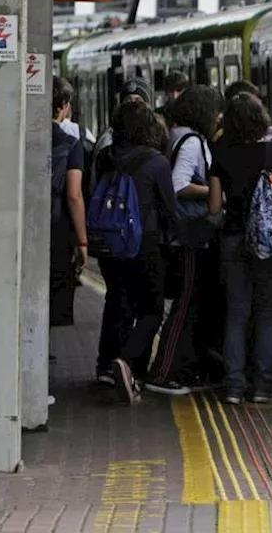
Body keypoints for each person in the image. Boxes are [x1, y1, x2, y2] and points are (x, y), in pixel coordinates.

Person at [209, 93, 272, 404]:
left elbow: (215, 206)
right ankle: (262, 387)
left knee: (237, 314)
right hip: (269, 242)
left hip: (233, 238)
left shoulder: (220, 152)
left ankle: (233, 386)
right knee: (268, 314)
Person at [97, 100, 178, 405]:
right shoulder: (157, 162)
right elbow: (169, 209)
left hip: (109, 244)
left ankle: (114, 370)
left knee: (119, 303)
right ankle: (129, 363)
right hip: (145, 244)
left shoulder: (106, 157)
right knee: (152, 309)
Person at [147, 85, 219, 395]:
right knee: (185, 303)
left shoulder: (177, 135)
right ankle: (163, 372)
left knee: (188, 303)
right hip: (188, 233)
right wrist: (214, 192)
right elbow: (178, 185)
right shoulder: (191, 142)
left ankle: (183, 367)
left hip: (182, 232)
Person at [51, 78, 88, 328]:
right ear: (63, 106)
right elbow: (74, 195)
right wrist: (82, 240)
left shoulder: (19, 139)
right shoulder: (70, 144)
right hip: (58, 227)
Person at [95, 79, 152, 157]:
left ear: (148, 106)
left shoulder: (157, 135)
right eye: (128, 101)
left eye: (138, 101)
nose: (133, 106)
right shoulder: (109, 138)